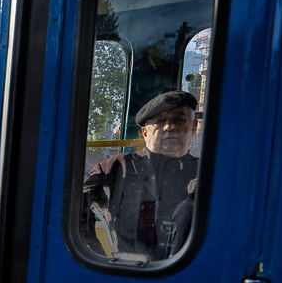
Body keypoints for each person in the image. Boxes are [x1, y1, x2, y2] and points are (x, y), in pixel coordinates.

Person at [83, 90, 200, 261]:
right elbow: (73, 211)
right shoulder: (114, 168)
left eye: (179, 120)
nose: (169, 127)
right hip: (129, 274)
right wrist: (97, 258)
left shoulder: (208, 173)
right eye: (159, 122)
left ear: (194, 127)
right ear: (145, 133)